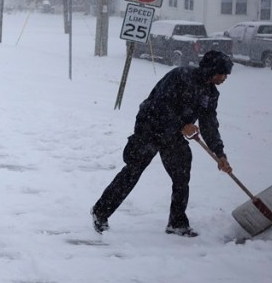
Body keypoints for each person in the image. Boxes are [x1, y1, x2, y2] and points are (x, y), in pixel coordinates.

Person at [90, 50, 235, 237]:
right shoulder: (180, 76)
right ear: (211, 70)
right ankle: (100, 212)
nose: (225, 78)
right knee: (133, 171)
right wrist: (182, 125)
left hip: (173, 135)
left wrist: (219, 154)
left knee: (181, 175)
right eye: (222, 73)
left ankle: (177, 222)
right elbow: (160, 105)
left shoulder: (210, 94)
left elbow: (209, 125)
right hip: (150, 127)